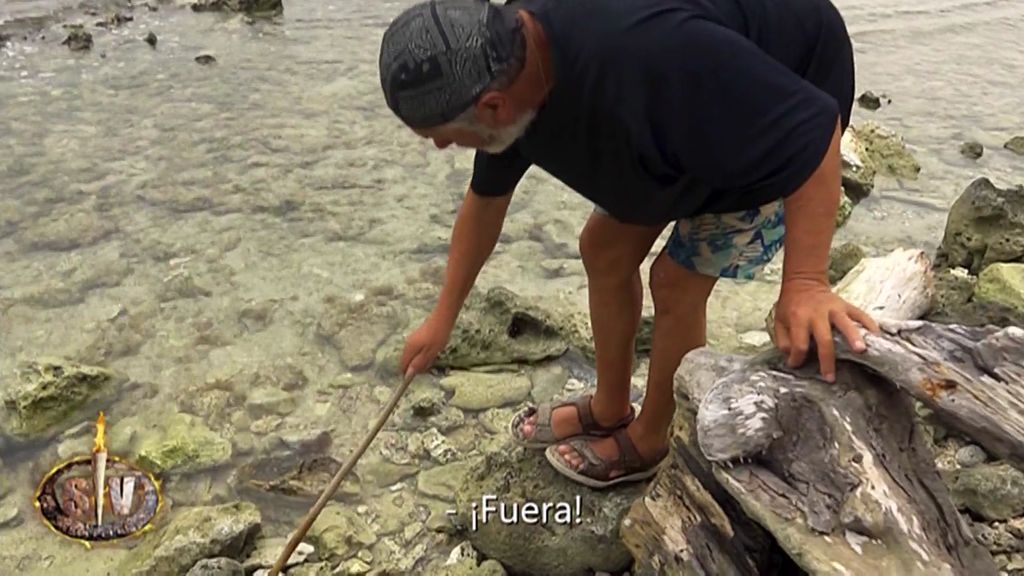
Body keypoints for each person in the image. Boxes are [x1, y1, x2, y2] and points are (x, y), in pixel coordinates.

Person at [378, 0, 880, 488]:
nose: (443, 147)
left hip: (786, 101)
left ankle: (651, 439)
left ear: (492, 105)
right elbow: (485, 203)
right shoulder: (510, 59)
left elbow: (813, 128)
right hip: (687, 109)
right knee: (604, 248)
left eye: (444, 136)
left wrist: (806, 283)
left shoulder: (652, 53)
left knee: (676, 280)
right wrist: (442, 319)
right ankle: (609, 407)